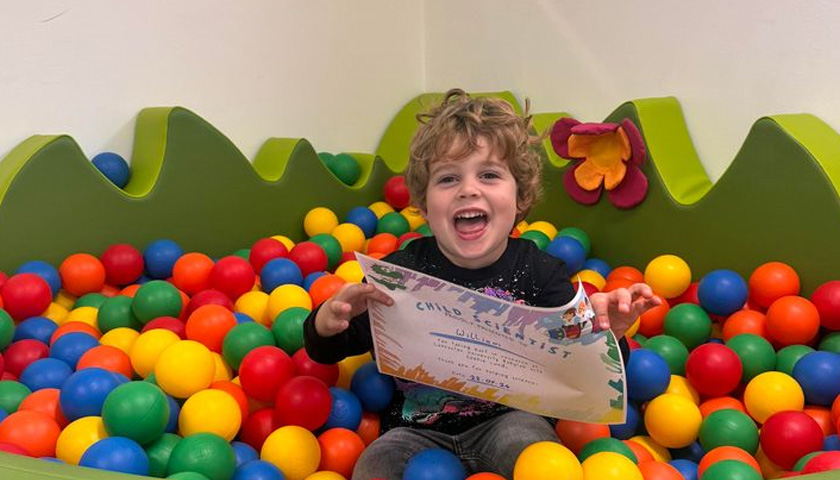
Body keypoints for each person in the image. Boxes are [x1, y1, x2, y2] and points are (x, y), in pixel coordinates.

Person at [304, 88, 661, 479]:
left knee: (537, 455)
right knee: (375, 463)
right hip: (415, 431)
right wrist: (328, 321)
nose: (468, 189)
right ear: (424, 204)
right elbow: (331, 349)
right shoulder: (399, 273)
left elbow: (581, 370)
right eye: (448, 178)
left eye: (489, 175)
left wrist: (609, 334)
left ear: (520, 196)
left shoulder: (541, 273)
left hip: (509, 422)